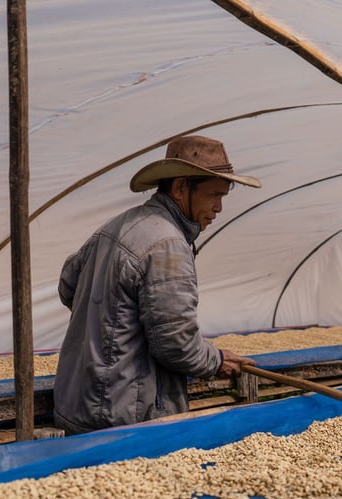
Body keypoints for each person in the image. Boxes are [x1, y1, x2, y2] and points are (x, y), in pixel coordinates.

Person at [53, 135, 261, 435]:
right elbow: (176, 345)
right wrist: (215, 359)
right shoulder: (167, 244)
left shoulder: (117, 225)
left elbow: (67, 286)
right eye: (214, 195)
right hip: (125, 417)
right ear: (180, 188)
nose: (218, 208)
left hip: (78, 402)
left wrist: (108, 325)